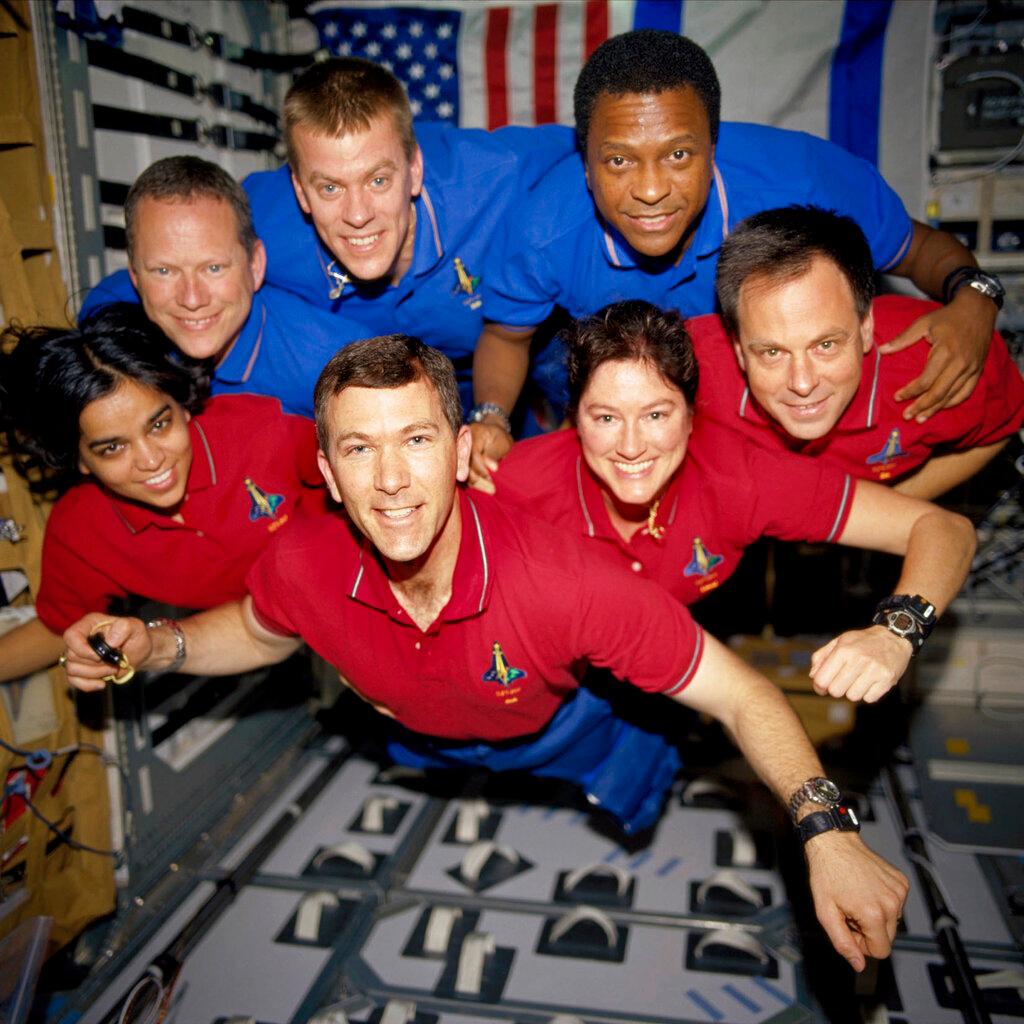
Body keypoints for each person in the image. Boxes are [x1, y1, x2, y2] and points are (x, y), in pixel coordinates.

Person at [62, 334, 908, 972]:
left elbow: (741, 696)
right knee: (435, 751)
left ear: (465, 452)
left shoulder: (572, 584)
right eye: (360, 448)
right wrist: (162, 643)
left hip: (578, 728)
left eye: (418, 440)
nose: (391, 479)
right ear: (325, 467)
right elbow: (255, 627)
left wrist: (827, 836)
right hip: (420, 738)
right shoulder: (298, 560)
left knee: (635, 795)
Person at [468, 29, 1004, 486]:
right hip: (640, 403)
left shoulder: (805, 181)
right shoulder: (544, 229)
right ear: (585, 164)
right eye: (619, 161)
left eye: (678, 154)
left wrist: (975, 297)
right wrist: (492, 416)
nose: (651, 189)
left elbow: (921, 249)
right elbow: (505, 336)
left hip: (768, 406)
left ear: (713, 146)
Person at [487, 300, 976, 703]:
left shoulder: (740, 476)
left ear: (691, 415)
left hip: (671, 679)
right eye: (607, 418)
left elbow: (943, 530)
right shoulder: (516, 484)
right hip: (547, 681)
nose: (632, 446)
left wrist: (896, 632)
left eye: (657, 414)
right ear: (575, 419)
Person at [0, 304, 325, 684]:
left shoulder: (263, 431)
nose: (152, 459)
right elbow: (61, 628)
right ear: (80, 461)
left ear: (183, 406)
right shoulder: (81, 532)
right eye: (112, 448)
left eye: (159, 424)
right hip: (266, 636)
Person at [241, 56, 575, 413]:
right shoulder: (255, 220)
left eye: (379, 180)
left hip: (527, 344)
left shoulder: (499, 172)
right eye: (330, 188)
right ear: (300, 190)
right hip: (399, 387)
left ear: (415, 170)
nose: (358, 215)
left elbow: (605, 146)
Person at [701, 205, 1024, 499]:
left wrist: (875, 514)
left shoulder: (938, 359)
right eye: (772, 352)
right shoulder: (684, 366)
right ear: (739, 349)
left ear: (866, 327)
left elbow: (1000, 426)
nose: (802, 384)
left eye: (825, 345)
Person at [79, 157, 368, 419]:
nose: (192, 299)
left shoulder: (334, 368)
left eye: (213, 268)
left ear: (255, 265)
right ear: (135, 277)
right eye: (164, 271)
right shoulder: (106, 319)